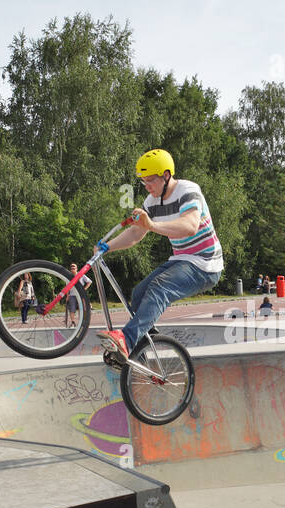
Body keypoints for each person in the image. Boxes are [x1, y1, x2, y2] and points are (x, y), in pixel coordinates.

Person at [93, 149, 223, 359]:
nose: (147, 186)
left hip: (205, 265)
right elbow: (136, 232)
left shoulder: (188, 190)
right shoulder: (152, 201)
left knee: (159, 287)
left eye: (151, 181)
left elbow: (190, 226)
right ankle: (139, 352)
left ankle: (126, 340)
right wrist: (107, 247)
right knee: (138, 296)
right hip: (181, 260)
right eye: (143, 182)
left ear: (166, 175)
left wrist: (152, 224)